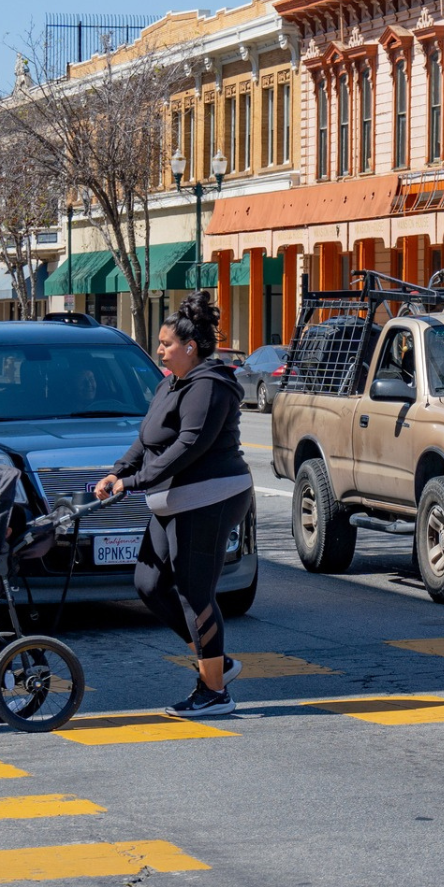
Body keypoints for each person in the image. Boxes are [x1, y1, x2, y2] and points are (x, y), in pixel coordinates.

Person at [94, 291, 252, 717]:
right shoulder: (172, 382)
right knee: (149, 583)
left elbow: (188, 447)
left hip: (210, 497)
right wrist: (117, 470)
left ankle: (215, 692)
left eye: (165, 344)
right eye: (160, 344)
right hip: (173, 500)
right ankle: (214, 661)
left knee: (194, 592)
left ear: (190, 347)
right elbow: (147, 438)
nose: (159, 350)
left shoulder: (210, 386)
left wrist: (134, 481)